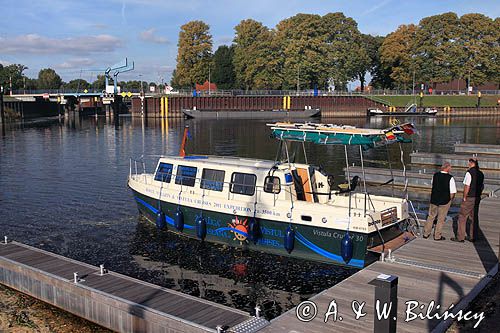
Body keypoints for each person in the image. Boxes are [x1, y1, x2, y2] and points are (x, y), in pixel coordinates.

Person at [451, 158, 484, 243]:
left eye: (469, 162)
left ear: (472, 163)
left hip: (469, 197)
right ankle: (473, 236)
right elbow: (482, 186)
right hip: (477, 197)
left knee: (462, 216)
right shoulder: (481, 173)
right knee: (474, 217)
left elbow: (467, 186)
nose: (468, 163)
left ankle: (460, 237)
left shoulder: (469, 173)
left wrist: (464, 197)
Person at [423, 162, 456, 240]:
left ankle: (426, 233)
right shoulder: (450, 178)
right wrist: (450, 200)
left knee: (431, 216)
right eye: (450, 167)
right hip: (444, 201)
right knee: (441, 219)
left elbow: (433, 185)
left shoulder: (435, 175)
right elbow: (453, 192)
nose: (451, 169)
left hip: (434, 200)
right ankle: (437, 236)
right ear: (447, 168)